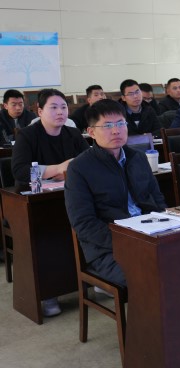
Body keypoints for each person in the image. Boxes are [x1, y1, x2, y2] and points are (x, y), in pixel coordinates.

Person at [65, 99, 166, 289]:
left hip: (150, 236)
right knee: (152, 276)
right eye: (107, 126)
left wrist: (165, 228)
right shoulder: (79, 168)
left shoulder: (138, 157)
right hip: (108, 250)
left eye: (120, 123)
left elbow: (157, 199)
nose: (116, 131)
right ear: (91, 132)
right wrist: (128, 242)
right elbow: (83, 223)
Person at [11, 88, 89, 317]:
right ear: (40, 111)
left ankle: (93, 280)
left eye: (64, 107)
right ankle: (49, 293)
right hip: (38, 200)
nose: (60, 112)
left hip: (70, 194)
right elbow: (19, 170)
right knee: (48, 236)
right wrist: (57, 169)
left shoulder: (73, 134)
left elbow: (87, 161)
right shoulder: (27, 135)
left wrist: (66, 172)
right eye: (53, 107)